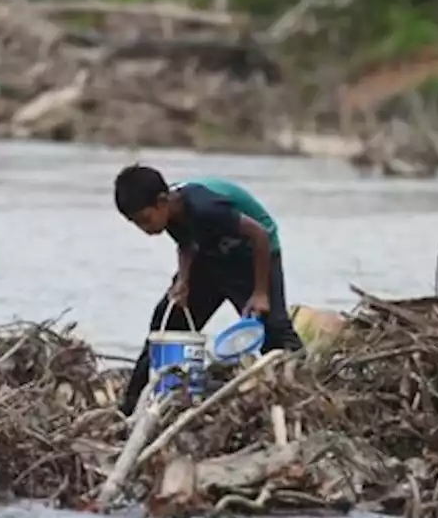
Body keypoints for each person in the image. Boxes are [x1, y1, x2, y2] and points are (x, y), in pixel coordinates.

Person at [112, 165, 303, 415]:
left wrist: (259, 292)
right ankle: (131, 406)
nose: (145, 230)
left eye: (146, 220)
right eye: (137, 224)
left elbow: (259, 235)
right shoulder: (170, 213)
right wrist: (184, 281)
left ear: (162, 201)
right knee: (166, 322)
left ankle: (300, 390)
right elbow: (186, 244)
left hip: (252, 255)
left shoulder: (206, 207)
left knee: (274, 331)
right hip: (210, 254)